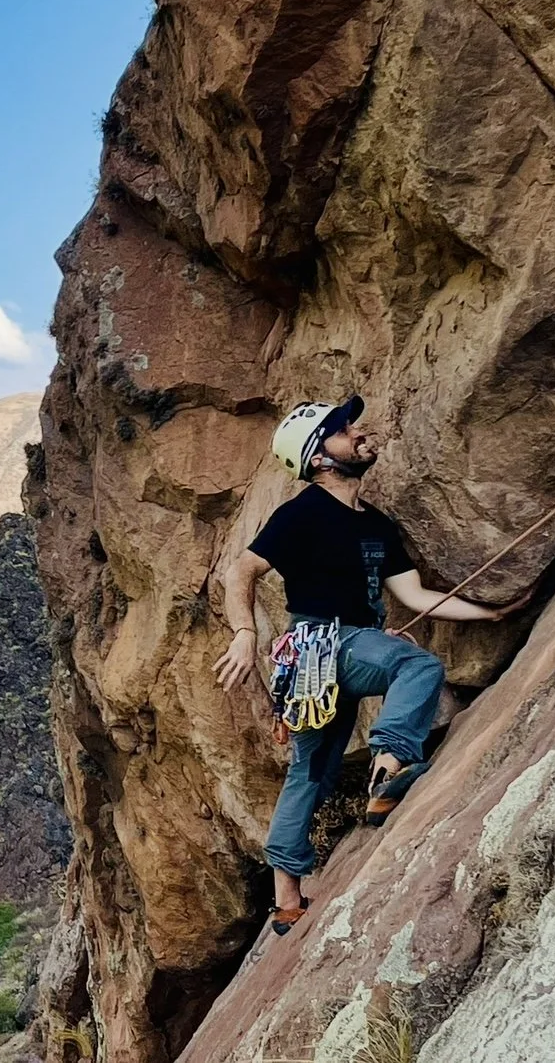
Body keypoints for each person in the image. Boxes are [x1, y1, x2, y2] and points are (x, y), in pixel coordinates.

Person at [213, 396, 525, 935]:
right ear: (318, 458)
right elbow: (241, 571)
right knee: (419, 668)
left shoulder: (376, 524)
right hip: (325, 642)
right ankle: (390, 767)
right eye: (342, 428)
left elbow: (413, 592)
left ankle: (286, 898)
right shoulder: (302, 512)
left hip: (324, 657)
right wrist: (244, 632)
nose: (357, 431)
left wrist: (491, 611)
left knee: (312, 770)